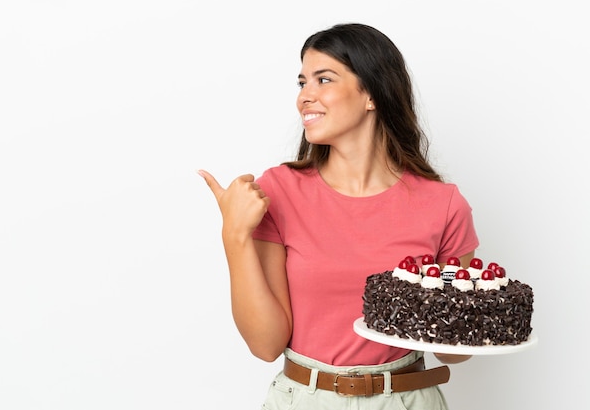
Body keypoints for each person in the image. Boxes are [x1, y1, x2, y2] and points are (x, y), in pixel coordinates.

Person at [198, 23, 479, 410]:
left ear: (372, 94)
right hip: (305, 400)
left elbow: (455, 353)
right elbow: (266, 345)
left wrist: (452, 300)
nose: (304, 98)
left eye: (323, 80)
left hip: (408, 400)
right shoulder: (279, 191)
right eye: (302, 83)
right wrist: (235, 235)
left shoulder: (443, 205)